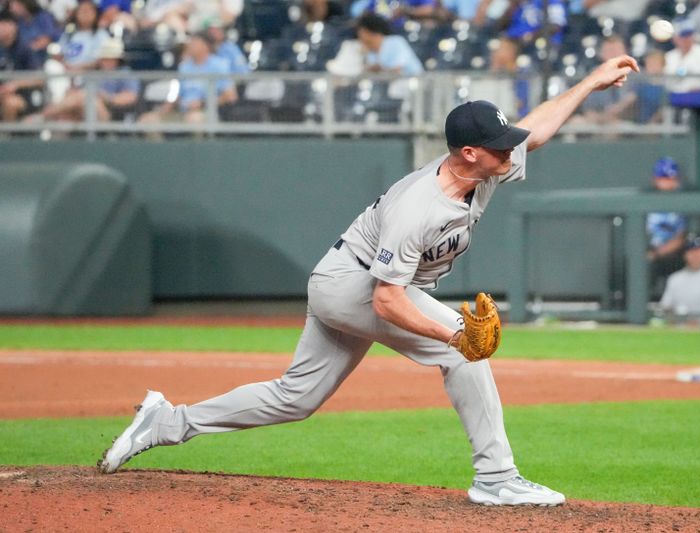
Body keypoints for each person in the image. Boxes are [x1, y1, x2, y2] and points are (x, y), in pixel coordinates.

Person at [98, 51, 641, 507]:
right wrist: (454, 335)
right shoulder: (419, 208)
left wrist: (591, 82)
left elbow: (538, 129)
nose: (512, 149)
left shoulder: (483, 167)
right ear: (469, 152)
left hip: (350, 279)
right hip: (356, 286)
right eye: (501, 144)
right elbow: (386, 301)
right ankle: (496, 479)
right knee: (464, 352)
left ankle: (168, 422)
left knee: (296, 397)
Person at [34, 38, 139, 122]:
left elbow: (130, 97)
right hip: (82, 110)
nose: (106, 61)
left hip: (109, 114)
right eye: (104, 57)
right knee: (66, 116)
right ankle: (57, 145)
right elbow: (78, 92)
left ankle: (41, 116)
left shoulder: (125, 73)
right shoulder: (95, 73)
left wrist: (106, 97)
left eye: (110, 58)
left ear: (118, 60)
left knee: (84, 96)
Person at [646, 157, 688, 293]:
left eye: (671, 178)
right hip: (649, 251)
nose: (667, 182)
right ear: (655, 179)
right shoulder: (646, 199)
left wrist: (657, 253)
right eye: (663, 177)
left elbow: (682, 237)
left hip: (675, 255)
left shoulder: (684, 201)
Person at [0, 16, 45, 122]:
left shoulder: (25, 49)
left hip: (24, 97)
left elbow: (39, 79)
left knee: (11, 103)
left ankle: (6, 136)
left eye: (5, 23)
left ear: (14, 26)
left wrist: (15, 85)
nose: (2, 28)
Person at [356, 13, 423, 76]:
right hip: (390, 85)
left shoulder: (396, 42)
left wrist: (377, 69)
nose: (359, 35)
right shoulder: (370, 51)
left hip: (415, 82)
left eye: (362, 31)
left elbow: (397, 71)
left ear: (370, 31)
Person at [664, 19, 700, 92]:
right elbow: (666, 81)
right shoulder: (669, 57)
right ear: (675, 39)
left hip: (699, 97)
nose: (686, 39)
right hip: (674, 97)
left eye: (689, 35)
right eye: (683, 36)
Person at [57, 0, 109, 71]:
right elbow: (60, 54)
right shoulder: (69, 33)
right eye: (82, 11)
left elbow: (103, 60)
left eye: (88, 11)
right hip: (67, 73)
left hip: (90, 74)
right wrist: (66, 66)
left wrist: (79, 68)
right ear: (76, 14)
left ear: (96, 14)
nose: (85, 14)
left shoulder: (101, 35)